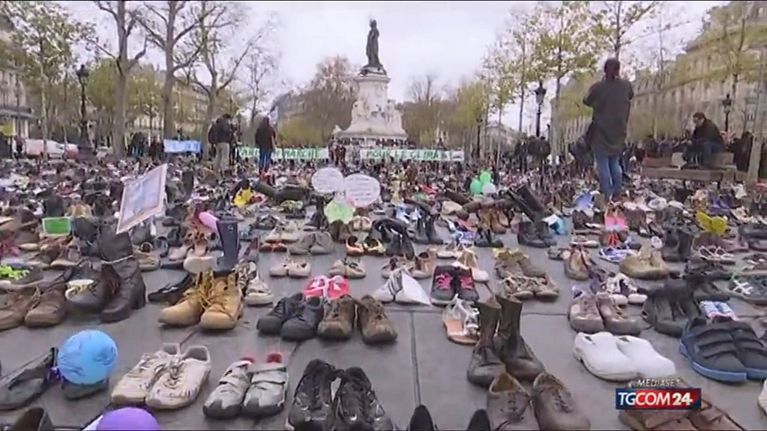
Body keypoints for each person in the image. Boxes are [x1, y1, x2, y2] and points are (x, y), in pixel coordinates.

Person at [583, 58, 634, 200]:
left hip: (601, 130)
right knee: (615, 162)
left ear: (605, 70)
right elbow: (630, 95)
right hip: (619, 130)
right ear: (618, 69)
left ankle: (607, 194)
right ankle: (617, 192)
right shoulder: (626, 86)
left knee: (603, 163)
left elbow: (586, 100)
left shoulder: (598, 87)